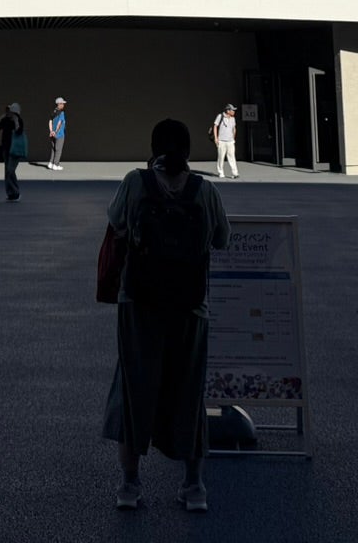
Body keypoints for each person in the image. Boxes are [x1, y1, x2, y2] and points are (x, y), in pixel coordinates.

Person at [103, 118, 230, 512]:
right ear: (189, 150)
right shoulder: (203, 190)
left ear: (154, 147)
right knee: (188, 390)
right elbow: (222, 238)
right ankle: (194, 487)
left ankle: (130, 486)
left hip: (138, 304)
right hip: (190, 307)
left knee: (133, 387)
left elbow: (116, 221)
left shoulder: (134, 182)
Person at [0, 102, 26, 201]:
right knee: (7, 171)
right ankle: (11, 193)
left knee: (10, 170)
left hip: (14, 149)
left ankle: (15, 192)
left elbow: (19, 131)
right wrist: (1, 117)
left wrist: (16, 121)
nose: (8, 112)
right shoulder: (6, 120)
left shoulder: (18, 120)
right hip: (6, 148)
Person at [211, 103, 239, 180]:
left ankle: (235, 173)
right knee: (221, 157)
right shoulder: (220, 116)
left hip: (230, 141)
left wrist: (233, 138)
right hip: (221, 141)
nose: (234, 111)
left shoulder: (233, 119)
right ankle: (221, 172)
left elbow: (234, 128)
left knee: (232, 157)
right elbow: (215, 126)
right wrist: (216, 138)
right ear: (227, 110)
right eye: (232, 110)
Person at [48, 97, 68, 170]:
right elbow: (59, 123)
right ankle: (56, 165)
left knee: (53, 149)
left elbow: (50, 121)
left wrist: (51, 131)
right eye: (62, 103)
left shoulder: (53, 111)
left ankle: (51, 163)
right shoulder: (62, 113)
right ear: (59, 104)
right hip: (59, 134)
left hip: (52, 134)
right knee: (58, 149)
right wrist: (55, 132)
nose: (63, 105)